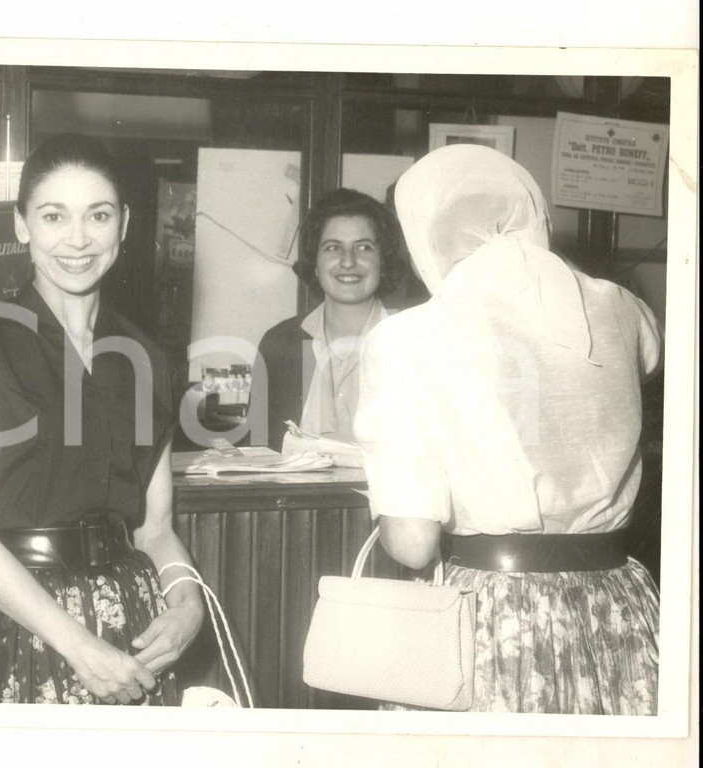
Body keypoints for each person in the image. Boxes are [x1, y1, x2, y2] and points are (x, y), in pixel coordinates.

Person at [353, 144, 663, 714]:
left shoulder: (405, 340)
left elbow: (413, 545)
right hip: (621, 603)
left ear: (422, 233)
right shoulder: (623, 308)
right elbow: (648, 357)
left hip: (494, 620)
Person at [0, 134, 204, 705]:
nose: (78, 239)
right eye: (53, 216)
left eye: (98, 215)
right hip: (23, 624)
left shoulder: (148, 354)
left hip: (134, 622)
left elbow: (155, 527)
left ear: (124, 223)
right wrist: (80, 646)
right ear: (21, 226)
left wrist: (188, 600)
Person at [249, 188, 404, 452]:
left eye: (364, 247)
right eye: (333, 248)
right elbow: (255, 450)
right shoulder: (278, 343)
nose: (348, 261)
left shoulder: (410, 341)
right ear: (315, 263)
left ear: (383, 261)